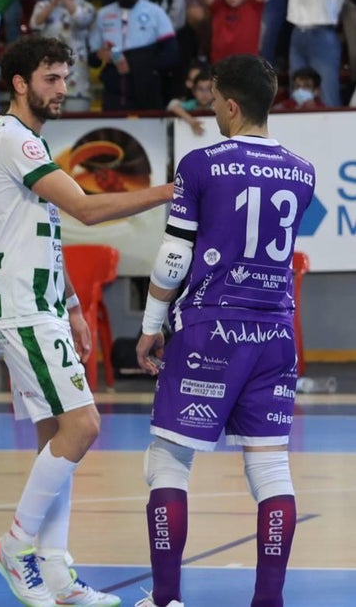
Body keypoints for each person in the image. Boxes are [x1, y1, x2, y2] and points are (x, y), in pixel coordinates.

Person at [0, 35, 173, 605]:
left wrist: (68, 304)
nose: (63, 89)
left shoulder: (30, 142)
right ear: (20, 83)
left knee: (57, 441)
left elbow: (45, 231)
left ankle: (58, 573)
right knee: (83, 427)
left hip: (39, 304)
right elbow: (86, 209)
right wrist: (170, 190)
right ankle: (14, 547)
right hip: (21, 306)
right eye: (52, 79)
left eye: (66, 78)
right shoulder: (14, 140)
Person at [133, 54, 315, 607]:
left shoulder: (200, 163)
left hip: (212, 329)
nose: (209, 109)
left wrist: (150, 324)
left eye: (212, 100)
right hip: (277, 331)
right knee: (270, 468)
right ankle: (268, 602)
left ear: (232, 105)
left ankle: (166, 600)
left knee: (167, 462)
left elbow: (172, 256)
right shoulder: (302, 170)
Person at [88, 0, 179, 111]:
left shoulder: (155, 12)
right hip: (113, 92)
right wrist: (101, 55)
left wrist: (137, 63)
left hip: (146, 91)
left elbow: (171, 55)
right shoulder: (103, 14)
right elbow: (93, 59)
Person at [30, 0, 96, 113]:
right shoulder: (43, 5)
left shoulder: (86, 7)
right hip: (48, 81)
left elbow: (81, 19)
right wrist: (54, 0)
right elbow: (35, 23)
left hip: (77, 84)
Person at [167, 67, 214, 134]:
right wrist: (192, 121)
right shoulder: (192, 104)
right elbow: (173, 106)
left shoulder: (217, 105)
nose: (205, 94)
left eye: (208, 89)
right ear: (193, 91)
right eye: (200, 89)